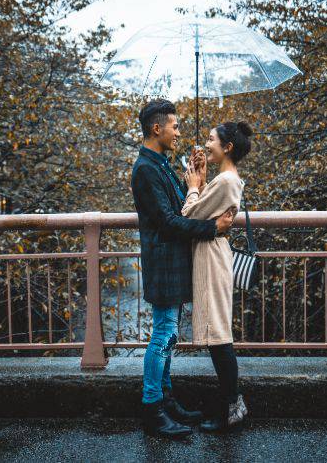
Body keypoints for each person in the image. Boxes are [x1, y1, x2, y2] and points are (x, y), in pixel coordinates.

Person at [130, 99, 235, 438]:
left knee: (168, 335)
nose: (178, 132)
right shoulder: (145, 169)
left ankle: (166, 400)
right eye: (174, 126)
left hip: (173, 262)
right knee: (162, 335)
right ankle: (152, 408)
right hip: (164, 263)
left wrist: (197, 178)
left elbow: (185, 208)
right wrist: (212, 229)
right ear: (157, 128)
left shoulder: (161, 164)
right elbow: (169, 222)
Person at [181, 120, 254, 431]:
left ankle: (232, 406)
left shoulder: (225, 182)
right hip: (213, 254)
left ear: (227, 147)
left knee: (219, 336)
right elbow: (206, 213)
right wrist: (203, 179)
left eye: (211, 140)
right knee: (218, 334)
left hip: (212, 257)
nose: (206, 144)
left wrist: (194, 186)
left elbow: (188, 215)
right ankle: (230, 404)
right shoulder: (225, 179)